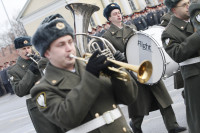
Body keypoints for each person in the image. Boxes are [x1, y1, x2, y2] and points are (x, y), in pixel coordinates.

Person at [30, 13, 138, 133]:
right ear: (47, 53)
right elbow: (67, 118)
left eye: (70, 42)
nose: (69, 48)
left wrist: (117, 74)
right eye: (61, 45)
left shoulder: (91, 66)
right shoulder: (43, 89)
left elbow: (129, 98)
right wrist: (91, 76)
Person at [102, 3, 186, 133]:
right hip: (133, 72)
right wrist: (118, 57)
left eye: (119, 12)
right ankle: (135, 124)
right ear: (109, 19)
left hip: (146, 66)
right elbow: (110, 58)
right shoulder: (107, 36)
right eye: (115, 14)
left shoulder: (131, 27)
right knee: (139, 105)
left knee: (162, 98)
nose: (119, 15)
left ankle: (172, 126)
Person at [7, 36, 62, 133]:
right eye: (23, 49)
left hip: (54, 100)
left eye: (28, 47)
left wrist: (45, 62)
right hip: (37, 106)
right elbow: (19, 91)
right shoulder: (13, 70)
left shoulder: (41, 59)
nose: (27, 50)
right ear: (17, 52)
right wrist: (31, 72)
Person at [162, 0, 200, 132]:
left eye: (189, 2)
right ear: (173, 10)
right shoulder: (169, 32)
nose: (188, 6)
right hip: (194, 76)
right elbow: (178, 54)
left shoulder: (196, 18)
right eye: (184, 4)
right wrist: (198, 34)